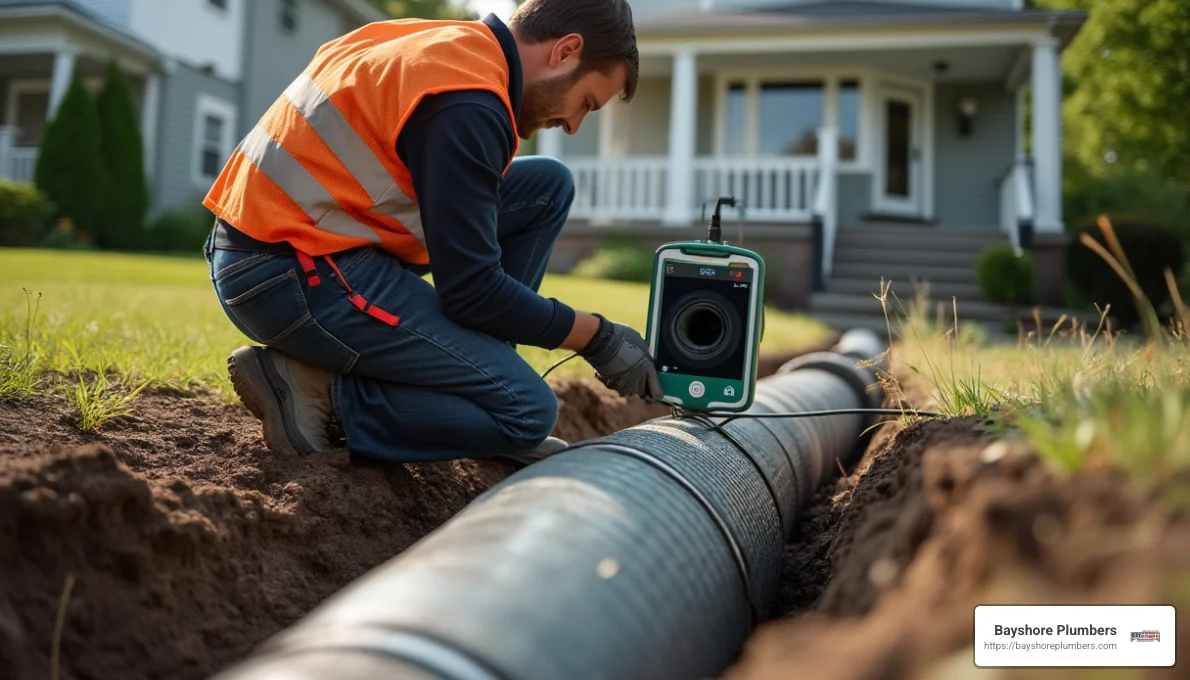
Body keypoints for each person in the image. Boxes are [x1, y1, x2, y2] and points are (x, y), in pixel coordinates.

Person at [201, 0, 662, 468]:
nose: (572, 124)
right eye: (585, 103)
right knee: (528, 411)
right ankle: (316, 391)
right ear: (565, 52)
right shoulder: (467, 102)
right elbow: (473, 292)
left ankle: (481, 385)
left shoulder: (444, 47)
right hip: (289, 274)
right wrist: (597, 336)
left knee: (546, 186)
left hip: (295, 246)